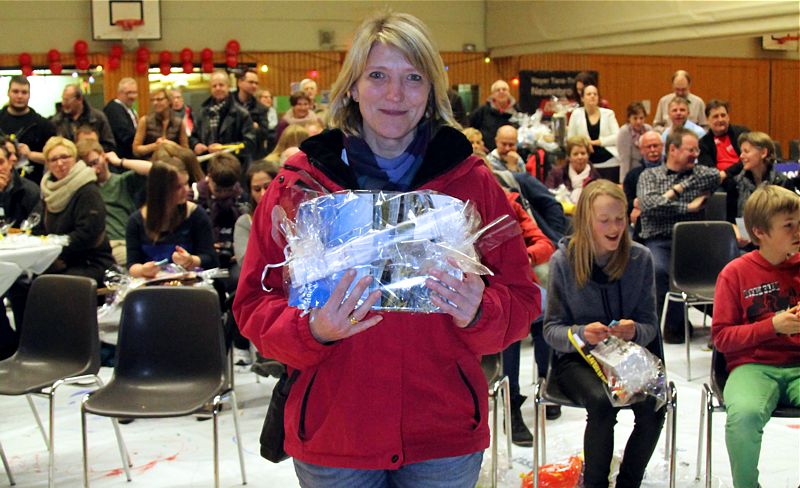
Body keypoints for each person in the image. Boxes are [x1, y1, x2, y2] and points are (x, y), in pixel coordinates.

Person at [233, 11, 539, 486]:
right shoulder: (300, 187)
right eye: (377, 75)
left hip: (443, 435)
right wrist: (312, 330)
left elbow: (522, 300)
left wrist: (481, 310)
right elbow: (254, 304)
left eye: (413, 78)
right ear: (352, 87)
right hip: (335, 435)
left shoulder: (471, 183)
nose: (395, 94)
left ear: (431, 91)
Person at [544, 179, 665, 488]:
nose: (614, 228)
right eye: (605, 220)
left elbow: (650, 325)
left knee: (655, 404)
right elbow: (551, 331)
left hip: (627, 358)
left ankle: (628, 483)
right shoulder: (563, 261)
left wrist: (634, 330)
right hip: (577, 360)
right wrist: (581, 333)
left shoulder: (640, 258)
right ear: (586, 221)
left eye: (620, 219)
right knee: (601, 403)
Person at [711, 184, 799, 488]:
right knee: (744, 417)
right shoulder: (734, 273)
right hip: (752, 366)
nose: (798, 231)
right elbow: (722, 338)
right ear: (760, 232)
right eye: (789, 225)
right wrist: (772, 326)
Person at [637, 128, 722, 343]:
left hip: (694, 243)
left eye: (697, 150)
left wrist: (676, 190)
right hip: (660, 240)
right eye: (690, 150)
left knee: (729, 267)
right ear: (673, 149)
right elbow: (649, 205)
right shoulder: (650, 175)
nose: (696, 154)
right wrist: (687, 207)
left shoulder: (701, 173)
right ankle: (672, 326)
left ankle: (725, 325)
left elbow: (716, 175)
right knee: (659, 269)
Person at [39, 136, 114, 284]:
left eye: (64, 157)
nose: (60, 163)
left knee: (51, 285)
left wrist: (54, 248)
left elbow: (87, 234)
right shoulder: (47, 192)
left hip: (90, 262)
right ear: (47, 164)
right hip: (57, 260)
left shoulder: (87, 190)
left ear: (75, 159)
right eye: (53, 159)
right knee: (22, 280)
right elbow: (38, 228)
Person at [125, 159, 217, 279]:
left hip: (190, 284)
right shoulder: (136, 221)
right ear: (160, 190)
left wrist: (190, 260)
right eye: (178, 187)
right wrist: (143, 270)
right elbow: (132, 265)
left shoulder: (196, 215)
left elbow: (211, 259)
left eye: (186, 183)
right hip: (152, 284)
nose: (186, 190)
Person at [232, 160, 282, 376]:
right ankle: (267, 354)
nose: (263, 193)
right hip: (263, 283)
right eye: (256, 189)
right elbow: (245, 262)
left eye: (267, 186)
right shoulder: (246, 222)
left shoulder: (295, 213)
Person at [76, 139, 152, 266]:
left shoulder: (122, 181)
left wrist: (119, 161)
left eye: (95, 162)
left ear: (104, 156)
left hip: (125, 242)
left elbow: (154, 169)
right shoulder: (83, 190)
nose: (94, 170)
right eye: (87, 166)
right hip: (102, 246)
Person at [0, 143, 41, 360]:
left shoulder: (29, 190)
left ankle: (27, 348)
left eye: (0, 162)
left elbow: (36, 229)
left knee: (20, 285)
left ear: (11, 162)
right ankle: (6, 346)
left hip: (24, 261)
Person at [190, 71, 257, 169]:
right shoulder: (202, 112)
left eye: (221, 85)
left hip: (233, 167)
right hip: (207, 166)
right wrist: (195, 145)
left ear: (228, 86)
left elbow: (249, 144)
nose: (218, 88)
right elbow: (193, 137)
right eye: (214, 86)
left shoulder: (241, 113)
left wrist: (223, 148)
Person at [0, 75, 56, 184]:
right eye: (15, 91)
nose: (19, 96)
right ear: (8, 93)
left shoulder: (43, 125)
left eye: (24, 92)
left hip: (33, 186)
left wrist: (31, 155)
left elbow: (54, 157)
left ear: (29, 95)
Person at [734, 132, 797, 220]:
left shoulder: (783, 183)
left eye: (746, 151)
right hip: (743, 228)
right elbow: (730, 219)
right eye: (741, 152)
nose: (741, 156)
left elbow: (791, 217)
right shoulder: (737, 182)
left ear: (763, 153)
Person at [566, 85, 620, 181]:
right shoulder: (576, 114)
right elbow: (570, 139)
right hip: (585, 161)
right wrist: (585, 143)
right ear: (582, 98)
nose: (592, 96)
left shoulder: (608, 114)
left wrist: (596, 142)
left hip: (609, 161)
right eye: (589, 94)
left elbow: (617, 137)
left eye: (595, 94)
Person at [622, 130, 664, 240]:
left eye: (656, 146)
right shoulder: (632, 175)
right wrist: (635, 203)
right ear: (641, 150)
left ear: (662, 147)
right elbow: (625, 204)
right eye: (648, 147)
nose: (653, 150)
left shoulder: (673, 171)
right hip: (639, 226)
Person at [51, 84, 116, 152]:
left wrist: (91, 151)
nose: (63, 103)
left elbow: (109, 145)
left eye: (67, 100)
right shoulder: (57, 121)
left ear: (80, 99)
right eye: (63, 99)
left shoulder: (98, 118)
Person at [132, 88, 189, 159]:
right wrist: (155, 146)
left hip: (173, 163)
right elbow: (136, 149)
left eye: (159, 99)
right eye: (153, 100)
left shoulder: (179, 122)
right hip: (150, 163)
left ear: (169, 101)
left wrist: (171, 145)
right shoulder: (145, 121)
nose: (155, 103)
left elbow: (186, 151)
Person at [546, 135, 601, 205]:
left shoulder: (595, 177)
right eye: (575, 154)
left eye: (583, 153)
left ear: (588, 155)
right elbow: (548, 196)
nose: (580, 157)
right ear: (569, 157)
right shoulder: (556, 173)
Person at [469, 79, 518, 151]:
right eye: (498, 90)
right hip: (485, 152)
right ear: (492, 94)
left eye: (504, 89)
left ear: (509, 92)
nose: (501, 92)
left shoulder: (517, 111)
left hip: (509, 151)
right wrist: (479, 145)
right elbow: (471, 130)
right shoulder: (482, 111)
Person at [234, 69, 272, 160]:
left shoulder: (261, 108)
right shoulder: (228, 105)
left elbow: (264, 133)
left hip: (253, 155)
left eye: (256, 83)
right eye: (251, 82)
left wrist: (254, 128)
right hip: (232, 154)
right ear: (240, 82)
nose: (254, 86)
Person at [103, 78, 139, 160]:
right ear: (119, 93)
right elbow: (126, 136)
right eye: (129, 93)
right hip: (119, 159)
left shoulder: (129, 110)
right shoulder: (114, 109)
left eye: (135, 93)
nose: (132, 96)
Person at [616, 101, 653, 182]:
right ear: (629, 118)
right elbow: (624, 160)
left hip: (648, 171)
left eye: (641, 118)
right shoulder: (624, 132)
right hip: (633, 172)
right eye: (635, 118)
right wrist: (624, 181)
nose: (638, 121)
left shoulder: (648, 129)